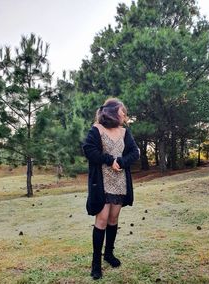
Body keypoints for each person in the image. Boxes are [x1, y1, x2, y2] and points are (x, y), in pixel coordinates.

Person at [83, 98, 139, 280]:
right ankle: (96, 263)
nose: (125, 115)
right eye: (123, 111)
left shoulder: (125, 132)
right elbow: (89, 150)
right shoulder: (97, 129)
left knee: (113, 218)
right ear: (114, 111)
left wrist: (121, 162)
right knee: (102, 219)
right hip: (102, 183)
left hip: (120, 182)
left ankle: (109, 254)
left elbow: (134, 152)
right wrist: (110, 160)